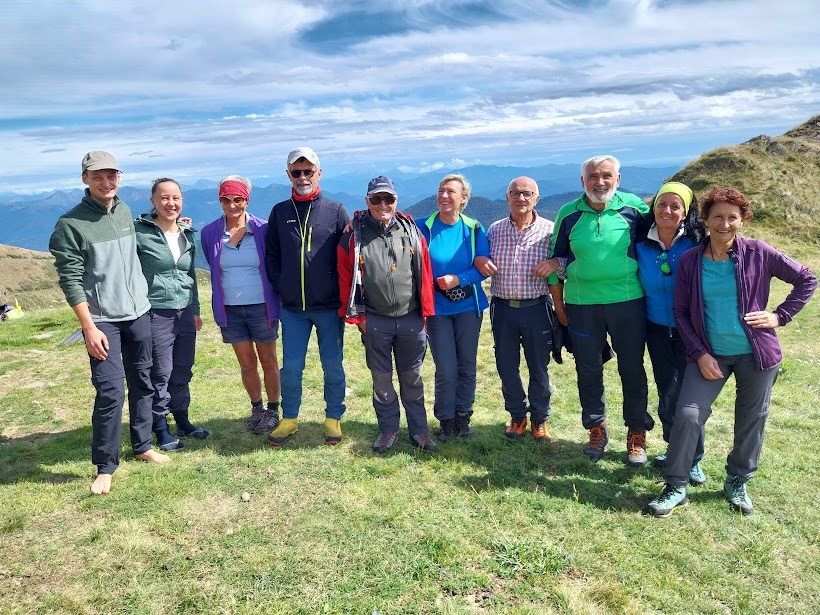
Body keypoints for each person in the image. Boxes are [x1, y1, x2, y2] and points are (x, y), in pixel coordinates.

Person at [648, 187, 816, 517]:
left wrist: (779, 316)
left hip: (757, 354)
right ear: (705, 220)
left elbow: (806, 279)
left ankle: (737, 479)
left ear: (742, 220)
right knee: (688, 415)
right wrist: (700, 353)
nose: (724, 224)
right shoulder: (690, 260)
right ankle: (676, 485)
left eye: (732, 217)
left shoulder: (758, 252)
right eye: (717, 217)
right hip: (710, 354)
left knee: (751, 419)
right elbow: (681, 312)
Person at [49, 151, 169, 495]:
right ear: (85, 179)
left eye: (111, 175)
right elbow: (70, 280)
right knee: (110, 391)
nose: (106, 182)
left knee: (143, 381)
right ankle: (105, 466)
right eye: (97, 176)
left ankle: (143, 445)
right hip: (102, 322)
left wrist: (172, 222)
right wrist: (88, 327)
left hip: (139, 313)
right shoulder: (70, 224)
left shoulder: (124, 211)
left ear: (119, 177)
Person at [548, 155, 653, 465]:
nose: (600, 182)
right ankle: (596, 429)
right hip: (581, 305)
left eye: (607, 175)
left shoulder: (635, 208)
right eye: (592, 176)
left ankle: (637, 433)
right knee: (588, 369)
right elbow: (555, 261)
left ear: (618, 179)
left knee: (632, 368)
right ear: (583, 181)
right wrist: (559, 307)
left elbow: (659, 242)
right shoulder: (568, 214)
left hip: (628, 302)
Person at [337, 176, 436, 453]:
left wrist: (424, 315)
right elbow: (345, 277)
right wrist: (360, 320)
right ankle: (388, 429)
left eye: (388, 199)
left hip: (411, 318)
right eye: (376, 199)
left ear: (396, 201)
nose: (383, 204)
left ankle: (419, 430)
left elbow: (425, 271)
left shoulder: (411, 230)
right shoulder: (353, 235)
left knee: (412, 378)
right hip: (375, 319)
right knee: (381, 380)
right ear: (367, 201)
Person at [264, 148, 350, 446]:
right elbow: (271, 255)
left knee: (332, 365)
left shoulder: (336, 210)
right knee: (291, 368)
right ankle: (289, 419)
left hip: (329, 307)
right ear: (288, 175)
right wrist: (281, 285)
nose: (303, 177)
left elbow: (347, 255)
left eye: (308, 171)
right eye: (296, 172)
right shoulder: (279, 212)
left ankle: (333, 418)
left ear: (319, 173)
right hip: (293, 309)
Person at [477, 177, 561, 441]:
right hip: (502, 308)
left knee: (539, 366)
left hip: (537, 307)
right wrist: (480, 260)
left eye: (527, 194)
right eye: (515, 193)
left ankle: (540, 418)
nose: (521, 198)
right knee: (506, 365)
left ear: (537, 199)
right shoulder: (494, 230)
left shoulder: (549, 231)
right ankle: (517, 416)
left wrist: (556, 263)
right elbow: (480, 258)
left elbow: (567, 260)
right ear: (507, 197)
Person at [636, 182, 706, 484]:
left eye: (675, 206)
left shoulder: (697, 243)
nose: (667, 210)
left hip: (690, 331)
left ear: (686, 212)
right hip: (655, 328)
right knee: (666, 391)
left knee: (687, 398)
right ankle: (674, 448)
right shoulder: (640, 242)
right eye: (662, 204)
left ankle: (694, 458)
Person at [201, 176, 281, 436]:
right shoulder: (209, 232)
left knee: (268, 360)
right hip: (231, 310)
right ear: (220, 201)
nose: (232, 205)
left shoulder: (263, 229)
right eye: (226, 200)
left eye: (238, 199)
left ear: (247, 199)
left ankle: (273, 410)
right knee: (246, 362)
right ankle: (256, 408)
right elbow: (213, 264)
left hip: (262, 307)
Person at [135, 178, 211, 453]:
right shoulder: (139, 233)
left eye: (176, 198)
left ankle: (182, 421)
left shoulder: (186, 233)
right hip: (156, 312)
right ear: (153, 201)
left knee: (182, 369)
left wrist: (196, 310)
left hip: (185, 312)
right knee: (161, 372)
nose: (171, 203)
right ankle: (160, 427)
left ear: (182, 201)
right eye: (164, 198)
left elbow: (190, 275)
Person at [418, 174, 489, 442]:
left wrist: (459, 279)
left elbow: (484, 267)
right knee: (446, 368)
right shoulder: (422, 226)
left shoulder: (474, 228)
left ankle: (463, 416)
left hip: (469, 306)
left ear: (463, 199)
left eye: (450, 192)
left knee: (467, 365)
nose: (444, 196)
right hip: (437, 308)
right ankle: (445, 420)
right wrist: (355, 221)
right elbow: (390, 221)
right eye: (441, 191)